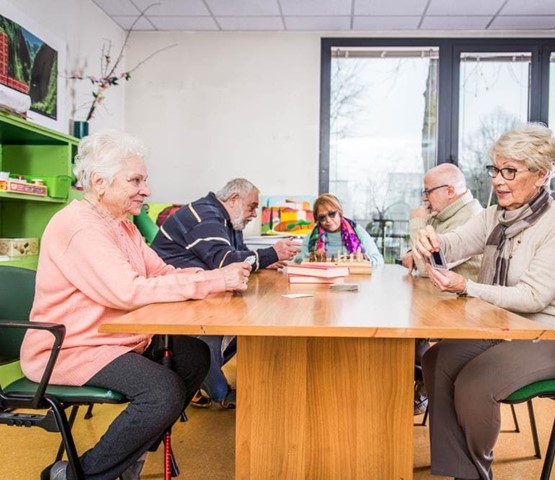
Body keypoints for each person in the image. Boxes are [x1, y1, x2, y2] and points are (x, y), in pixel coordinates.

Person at [19, 130, 250, 480]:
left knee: (194, 356)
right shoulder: (79, 228)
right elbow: (127, 292)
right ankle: (81, 474)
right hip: (71, 348)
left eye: (145, 179)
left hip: (116, 340)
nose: (147, 189)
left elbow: (162, 271)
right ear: (100, 182)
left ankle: (128, 458)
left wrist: (216, 285)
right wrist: (215, 280)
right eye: (136, 180)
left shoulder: (122, 226)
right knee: (162, 391)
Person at [413, 123, 555, 480]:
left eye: (510, 171)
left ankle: (475, 473)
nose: (498, 180)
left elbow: (533, 296)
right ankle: (462, 472)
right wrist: (431, 241)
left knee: (475, 381)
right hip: (511, 329)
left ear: (541, 174)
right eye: (496, 170)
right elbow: (453, 245)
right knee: (437, 358)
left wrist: (466, 286)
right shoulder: (494, 216)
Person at [151, 177, 300, 409]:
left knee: (247, 326)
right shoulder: (205, 216)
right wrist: (272, 252)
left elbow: (239, 253)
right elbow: (226, 262)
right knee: (220, 329)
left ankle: (200, 379)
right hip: (175, 297)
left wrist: (264, 261)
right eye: (252, 206)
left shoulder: (227, 220)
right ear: (233, 199)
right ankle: (218, 391)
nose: (253, 214)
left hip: (198, 289)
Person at [400, 163, 484, 416]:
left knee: (404, 323)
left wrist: (416, 224)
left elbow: (429, 267)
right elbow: (425, 258)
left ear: (449, 191)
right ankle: (420, 384)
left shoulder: (471, 217)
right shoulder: (446, 216)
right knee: (402, 319)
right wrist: (415, 256)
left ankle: (422, 388)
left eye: (428, 191)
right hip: (444, 299)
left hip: (466, 308)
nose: (424, 198)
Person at [294, 193, 384, 266]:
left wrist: (365, 258)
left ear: (340, 213)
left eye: (332, 214)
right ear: (317, 219)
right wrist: (310, 256)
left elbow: (379, 260)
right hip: (323, 283)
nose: (328, 220)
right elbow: (297, 260)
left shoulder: (357, 231)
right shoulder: (312, 236)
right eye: (322, 217)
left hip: (353, 281)